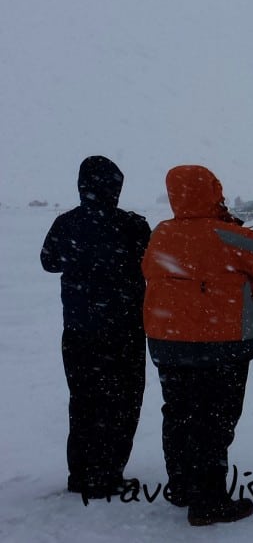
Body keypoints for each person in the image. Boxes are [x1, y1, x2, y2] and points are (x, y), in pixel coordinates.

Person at [142, 165, 253, 526]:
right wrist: (228, 225)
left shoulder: (161, 234)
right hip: (221, 343)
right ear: (212, 191)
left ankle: (183, 485)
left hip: (168, 342)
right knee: (215, 420)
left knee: (178, 414)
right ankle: (210, 500)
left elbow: (149, 268)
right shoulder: (224, 233)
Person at [40, 156, 151, 499]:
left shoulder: (66, 223)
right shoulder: (132, 225)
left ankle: (82, 474)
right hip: (124, 330)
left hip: (78, 330)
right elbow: (154, 264)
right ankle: (108, 473)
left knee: (84, 401)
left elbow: (49, 261)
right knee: (123, 401)